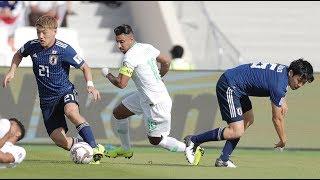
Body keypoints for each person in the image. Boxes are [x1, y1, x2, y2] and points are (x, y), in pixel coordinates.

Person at [2, 15, 105, 164]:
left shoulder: (64, 50)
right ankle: (85, 148)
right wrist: (12, 70)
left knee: (71, 112)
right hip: (47, 101)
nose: (41, 36)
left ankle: (94, 149)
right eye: (38, 33)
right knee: (58, 139)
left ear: (55, 31)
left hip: (65, 92)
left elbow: (84, 66)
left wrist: (90, 85)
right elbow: (18, 54)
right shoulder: (32, 45)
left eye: (45, 33)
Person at [101, 24, 203, 164]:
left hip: (155, 102)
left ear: (131, 38)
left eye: (122, 41)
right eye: (117, 41)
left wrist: (108, 75)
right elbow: (166, 61)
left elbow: (121, 84)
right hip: (145, 95)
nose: (119, 45)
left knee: (156, 140)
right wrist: (158, 77)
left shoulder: (129, 58)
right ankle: (126, 149)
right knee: (119, 113)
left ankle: (190, 147)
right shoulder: (146, 47)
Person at [184, 59, 314, 167]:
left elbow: (276, 82)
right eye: (299, 80)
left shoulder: (285, 71)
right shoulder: (280, 84)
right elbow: (277, 118)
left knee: (248, 119)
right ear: (291, 73)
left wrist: (283, 99)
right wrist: (283, 139)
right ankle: (194, 141)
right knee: (236, 130)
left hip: (238, 86)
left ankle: (223, 159)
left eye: (304, 82)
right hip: (230, 85)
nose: (300, 85)